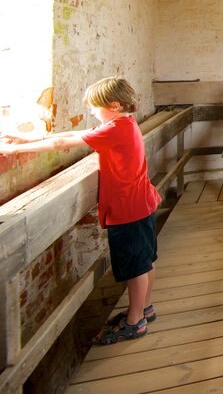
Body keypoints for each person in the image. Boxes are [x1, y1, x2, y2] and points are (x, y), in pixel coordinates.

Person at [0, 77, 161, 345]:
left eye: (94, 108)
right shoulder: (122, 123)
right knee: (145, 260)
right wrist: (28, 137)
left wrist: (15, 149)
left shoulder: (114, 129)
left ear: (114, 105)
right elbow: (73, 135)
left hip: (128, 209)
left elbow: (60, 145)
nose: (91, 112)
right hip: (141, 202)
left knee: (136, 267)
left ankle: (136, 322)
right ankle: (144, 308)